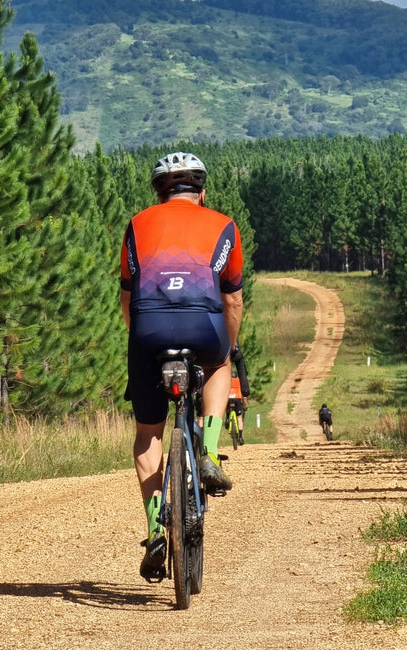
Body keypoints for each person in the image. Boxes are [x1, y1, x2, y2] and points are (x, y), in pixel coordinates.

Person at [120, 151, 244, 581]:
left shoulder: (137, 224)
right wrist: (229, 343)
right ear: (202, 191)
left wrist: (142, 340)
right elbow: (232, 298)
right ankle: (208, 451)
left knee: (147, 436)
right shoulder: (224, 224)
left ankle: (156, 528)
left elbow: (126, 294)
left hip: (149, 327)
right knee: (219, 361)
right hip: (203, 323)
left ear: (159, 192)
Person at [227, 369, 247, 445]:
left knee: (227, 407)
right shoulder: (239, 382)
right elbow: (244, 397)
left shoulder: (227, 381)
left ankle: (227, 418)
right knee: (239, 417)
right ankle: (241, 437)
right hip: (237, 399)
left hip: (228, 399)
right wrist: (245, 406)